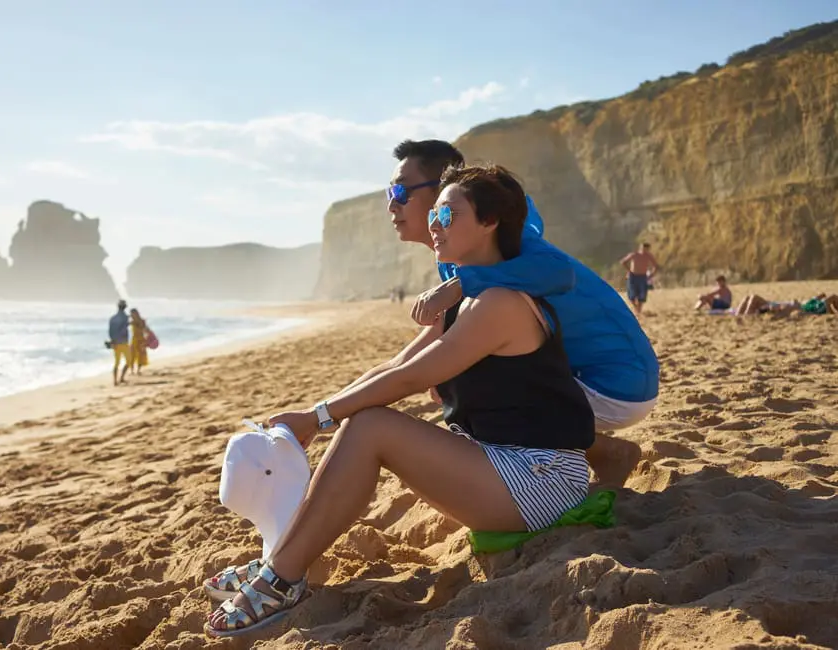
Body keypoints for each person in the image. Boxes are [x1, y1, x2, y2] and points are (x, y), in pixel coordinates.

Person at [204, 164, 596, 638]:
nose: (435, 224)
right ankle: (281, 560)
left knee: (370, 427)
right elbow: (393, 368)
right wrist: (316, 413)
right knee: (366, 423)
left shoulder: (501, 302)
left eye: (448, 215)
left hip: (543, 478)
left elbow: (414, 377)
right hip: (508, 464)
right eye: (434, 214)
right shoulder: (470, 299)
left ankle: (281, 577)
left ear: (491, 222)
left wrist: (319, 417)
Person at [396, 141, 657, 485]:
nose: (391, 204)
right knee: (452, 371)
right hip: (586, 378)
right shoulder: (459, 255)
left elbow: (558, 272)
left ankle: (585, 460)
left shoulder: (510, 237)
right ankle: (594, 453)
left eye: (400, 190)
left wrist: (461, 285)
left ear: (439, 192)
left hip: (617, 381)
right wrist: (331, 409)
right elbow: (412, 358)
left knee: (470, 371)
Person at [620, 243, 660, 315]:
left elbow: (656, 266)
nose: (644, 250)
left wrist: (651, 275)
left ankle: (639, 311)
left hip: (643, 276)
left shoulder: (648, 256)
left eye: (646, 249)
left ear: (648, 249)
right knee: (631, 295)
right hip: (633, 276)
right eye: (642, 248)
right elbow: (623, 262)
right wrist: (629, 270)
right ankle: (636, 308)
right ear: (640, 248)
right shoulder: (634, 255)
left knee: (642, 295)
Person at [108, 300, 130, 386]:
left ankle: (115, 381)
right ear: (125, 307)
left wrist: (113, 340)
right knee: (128, 361)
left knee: (116, 362)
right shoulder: (126, 317)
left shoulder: (112, 318)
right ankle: (121, 378)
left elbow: (110, 331)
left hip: (115, 343)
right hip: (124, 342)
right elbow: (125, 327)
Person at [128, 308, 150, 375]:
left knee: (141, 355)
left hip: (141, 339)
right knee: (132, 355)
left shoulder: (141, 321)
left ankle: (138, 370)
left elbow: (146, 329)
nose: (131, 315)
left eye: (132, 313)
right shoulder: (132, 322)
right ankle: (132, 370)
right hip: (134, 339)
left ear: (136, 313)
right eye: (131, 314)